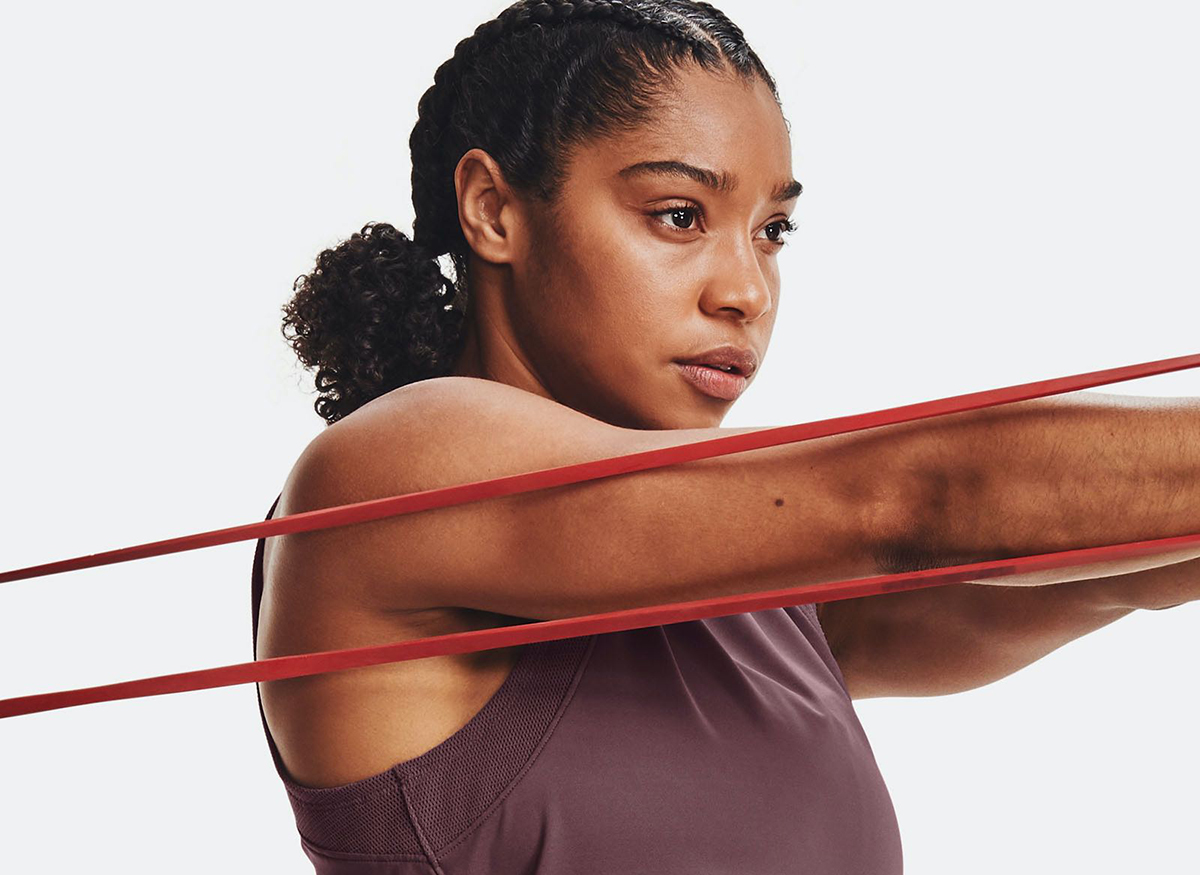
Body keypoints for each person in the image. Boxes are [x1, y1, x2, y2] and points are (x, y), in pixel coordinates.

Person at [253, 1, 1200, 871]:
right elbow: (921, 500)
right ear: (495, 212)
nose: (745, 289)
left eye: (772, 230)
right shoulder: (396, 463)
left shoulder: (744, 589)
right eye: (678, 215)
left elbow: (1103, 564)